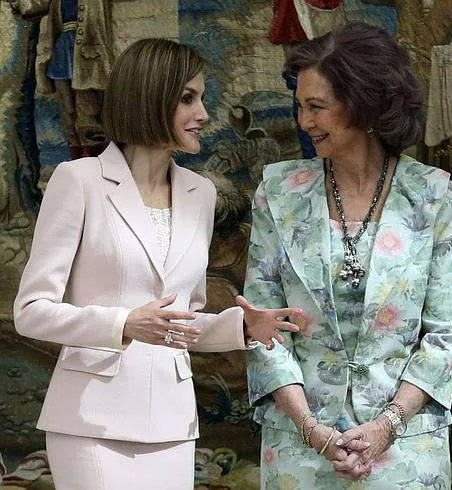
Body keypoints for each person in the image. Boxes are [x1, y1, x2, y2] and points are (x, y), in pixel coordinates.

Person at [13, 38, 304, 490]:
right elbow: (31, 311)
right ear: (149, 96)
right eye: (188, 98)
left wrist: (243, 328)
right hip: (92, 421)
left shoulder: (201, 193)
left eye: (201, 98)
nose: (204, 113)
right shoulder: (78, 182)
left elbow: (182, 324)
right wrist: (124, 324)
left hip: (172, 424)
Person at [245, 22, 452, 489]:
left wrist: (385, 426)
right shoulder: (278, 192)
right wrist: (313, 430)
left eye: (317, 107)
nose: (304, 121)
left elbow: (445, 333)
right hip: (299, 446)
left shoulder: (435, 196)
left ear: (365, 105)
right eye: (300, 106)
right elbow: (260, 327)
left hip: (406, 448)